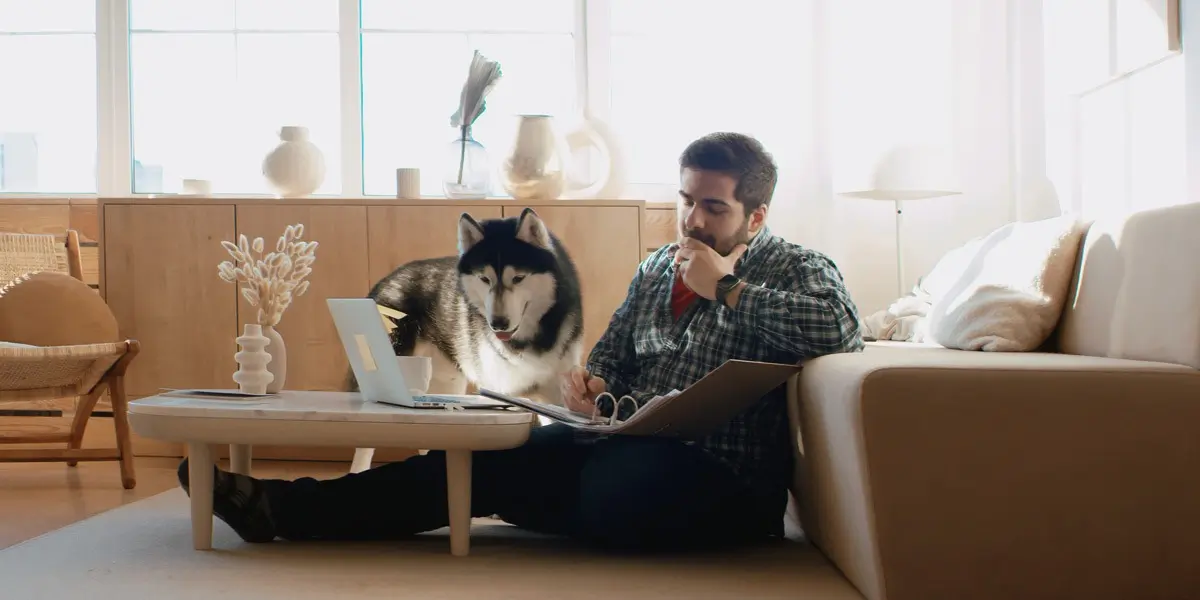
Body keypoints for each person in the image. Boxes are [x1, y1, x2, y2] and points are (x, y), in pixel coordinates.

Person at [176, 132, 864, 552]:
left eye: (714, 207)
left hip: (722, 477)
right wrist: (588, 387)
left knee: (603, 494)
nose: (693, 218)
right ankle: (283, 509)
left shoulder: (795, 267)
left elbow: (836, 328)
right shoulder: (658, 267)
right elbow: (611, 359)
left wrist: (728, 288)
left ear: (757, 213)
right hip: (627, 444)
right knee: (475, 456)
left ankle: (537, 493)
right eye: (686, 199)